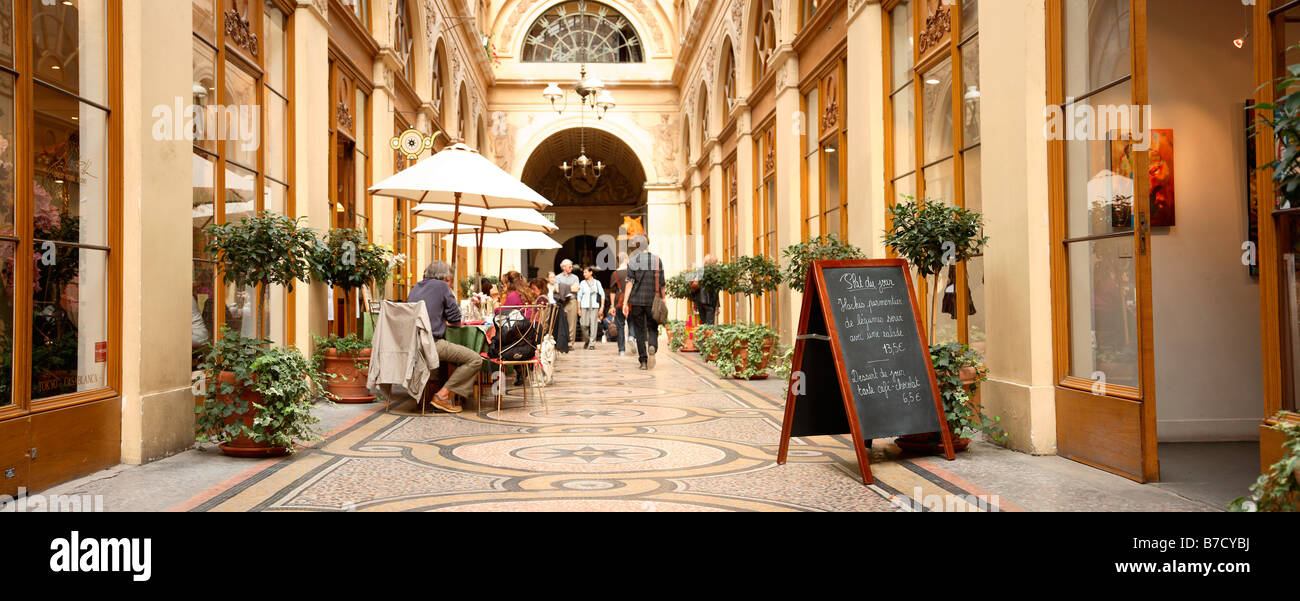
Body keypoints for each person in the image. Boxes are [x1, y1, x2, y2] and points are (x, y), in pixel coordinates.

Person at [407, 260, 483, 413]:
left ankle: (434, 394)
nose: (449, 281)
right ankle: (442, 395)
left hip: (411, 345)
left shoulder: (416, 287)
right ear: (443, 277)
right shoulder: (442, 287)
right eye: (448, 278)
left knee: (447, 357)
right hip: (431, 344)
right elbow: (456, 320)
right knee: (475, 359)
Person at [622, 237, 664, 370]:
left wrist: (625, 303)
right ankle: (652, 345)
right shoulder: (657, 260)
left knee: (639, 331)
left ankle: (643, 361)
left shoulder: (633, 261)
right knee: (652, 327)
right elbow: (662, 284)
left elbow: (629, 283)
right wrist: (664, 300)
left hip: (636, 301)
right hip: (653, 300)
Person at [577, 267, 605, 350]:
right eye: (583, 272)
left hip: (594, 306)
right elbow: (579, 296)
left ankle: (592, 343)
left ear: (590, 273)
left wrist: (602, 306)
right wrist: (579, 308)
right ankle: (587, 339)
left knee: (593, 324)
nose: (584, 274)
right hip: (584, 306)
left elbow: (602, 294)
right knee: (583, 324)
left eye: (585, 272)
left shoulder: (597, 283)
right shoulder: (582, 283)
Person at [554, 259, 580, 347]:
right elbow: (557, 290)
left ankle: (570, 343)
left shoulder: (575, 277)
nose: (571, 268)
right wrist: (569, 288)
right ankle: (562, 341)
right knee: (561, 322)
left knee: (572, 323)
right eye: (570, 266)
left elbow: (576, 289)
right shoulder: (557, 277)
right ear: (564, 267)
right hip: (561, 302)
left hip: (572, 301)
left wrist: (563, 287)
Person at [608, 253, 629, 356]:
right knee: (633, 321)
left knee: (620, 325)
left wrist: (612, 305)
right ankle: (632, 337)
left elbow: (612, 291)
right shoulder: (631, 272)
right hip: (631, 301)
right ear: (626, 259)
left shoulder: (615, 274)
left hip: (619, 302)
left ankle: (621, 350)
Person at [692, 254, 720, 325]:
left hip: (700, 302)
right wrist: (717, 306)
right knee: (710, 325)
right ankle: (708, 336)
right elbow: (716, 291)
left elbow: (693, 289)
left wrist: (694, 302)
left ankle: (705, 335)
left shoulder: (699, 271)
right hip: (710, 302)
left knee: (704, 325)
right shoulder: (715, 273)